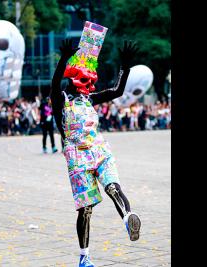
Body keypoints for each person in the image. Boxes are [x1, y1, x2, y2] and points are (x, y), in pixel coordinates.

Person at [50, 38, 141, 267]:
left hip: (99, 149)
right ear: (70, 81)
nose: (85, 85)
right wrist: (63, 59)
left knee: (112, 186)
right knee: (86, 210)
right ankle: (85, 256)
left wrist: (126, 66)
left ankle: (128, 218)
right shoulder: (60, 100)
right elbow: (54, 84)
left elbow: (117, 91)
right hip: (77, 156)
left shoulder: (88, 99)